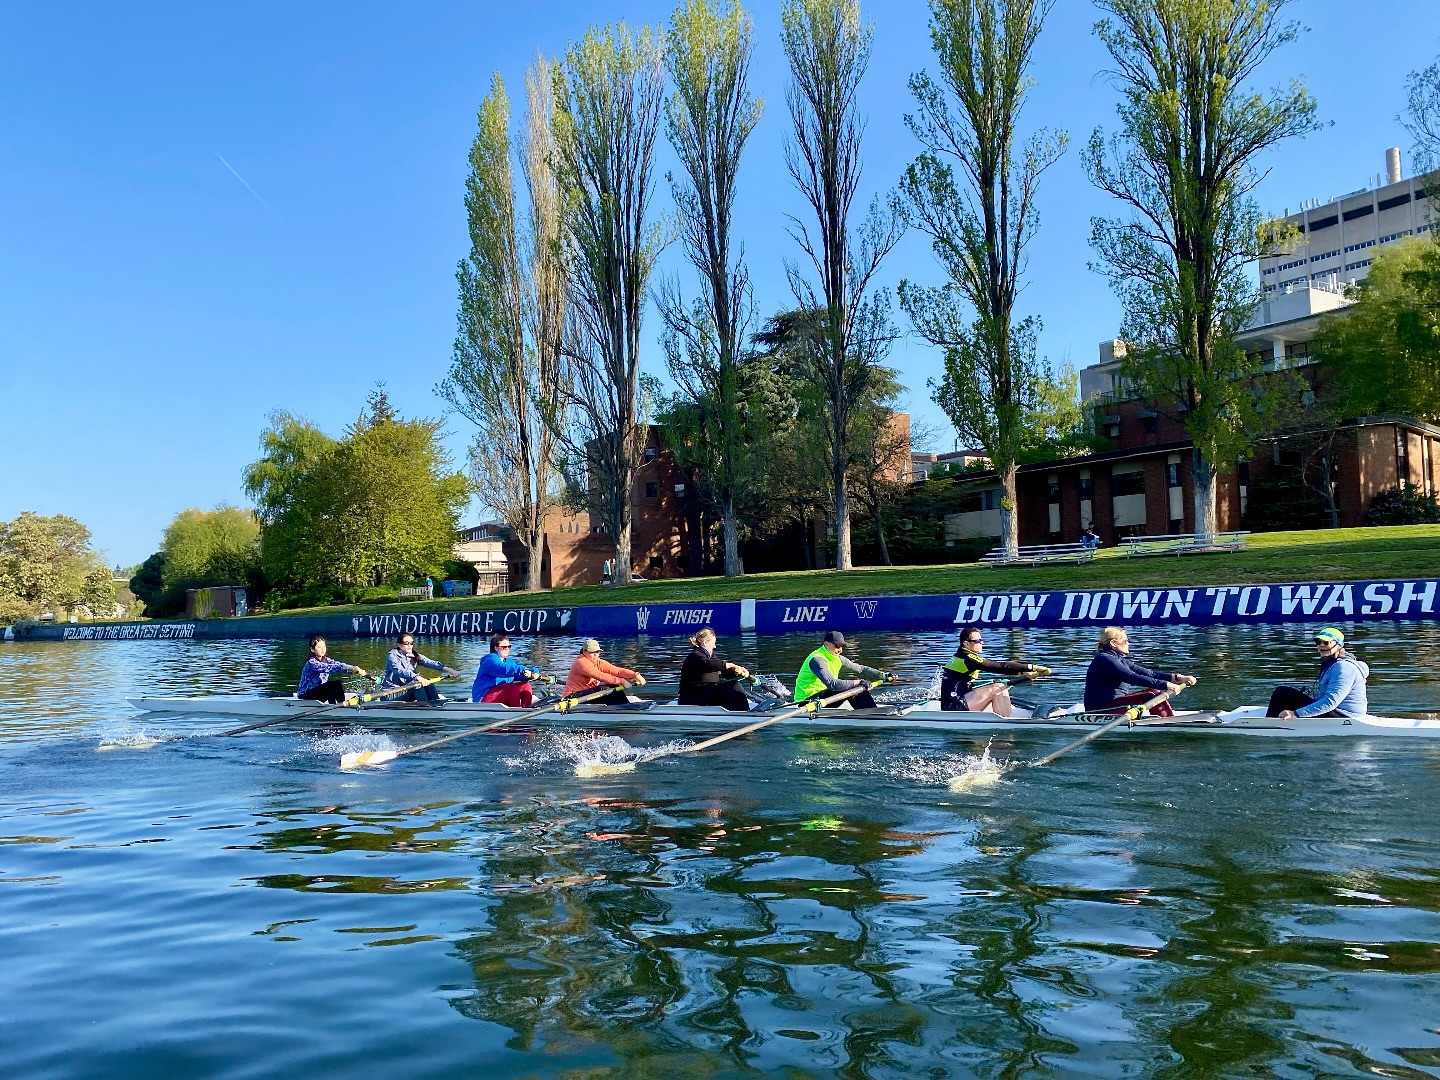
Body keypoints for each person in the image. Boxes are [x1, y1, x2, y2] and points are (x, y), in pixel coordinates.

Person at [1083, 626, 1196, 717]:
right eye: (1125, 641)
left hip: (1113, 704)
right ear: (1113, 643)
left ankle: (1167, 717)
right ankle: (1168, 721)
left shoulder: (1117, 659)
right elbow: (1132, 677)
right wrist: (1166, 685)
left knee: (1154, 690)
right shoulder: (1105, 659)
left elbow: (1148, 673)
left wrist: (1176, 678)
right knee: (1149, 696)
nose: (1128, 644)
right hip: (1100, 709)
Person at [939, 626, 1050, 715]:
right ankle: (1007, 723)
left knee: (1000, 686)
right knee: (998, 688)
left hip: (956, 700)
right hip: (953, 706)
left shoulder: (961, 655)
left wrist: (1022, 672)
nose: (982, 643)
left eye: (981, 640)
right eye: (977, 641)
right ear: (966, 644)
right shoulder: (968, 658)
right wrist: (1033, 667)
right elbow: (998, 666)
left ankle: (1006, 716)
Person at [1267, 627, 1369, 719]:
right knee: (1285, 693)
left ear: (1338, 645)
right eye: (1318, 642)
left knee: (1282, 692)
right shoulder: (1331, 664)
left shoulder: (1343, 667)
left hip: (1344, 715)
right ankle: (1274, 718)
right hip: (1338, 711)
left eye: (1326, 642)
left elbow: (1331, 702)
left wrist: (1296, 714)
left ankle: (1268, 724)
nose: (1321, 645)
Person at [792, 631, 889, 710]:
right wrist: (858, 682)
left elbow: (861, 669)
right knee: (853, 686)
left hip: (824, 698)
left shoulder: (838, 658)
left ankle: (872, 710)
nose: (840, 650)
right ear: (826, 644)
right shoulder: (817, 659)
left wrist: (883, 675)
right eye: (837, 646)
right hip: (808, 702)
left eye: (842, 646)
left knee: (857, 686)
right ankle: (871, 715)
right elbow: (832, 684)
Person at [678, 628, 751, 711]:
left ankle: (745, 711)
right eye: (713, 643)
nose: (715, 646)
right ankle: (734, 714)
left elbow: (724, 672)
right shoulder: (695, 656)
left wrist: (736, 671)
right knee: (725, 690)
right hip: (690, 698)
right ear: (705, 643)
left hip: (706, 693)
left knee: (735, 684)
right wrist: (729, 665)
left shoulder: (711, 657)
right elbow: (709, 664)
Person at [382, 633, 459, 705]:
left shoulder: (414, 655)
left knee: (429, 684)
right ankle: (426, 709)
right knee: (417, 686)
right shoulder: (392, 656)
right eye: (406, 643)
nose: (409, 645)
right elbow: (399, 671)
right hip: (390, 694)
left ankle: (437, 705)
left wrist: (448, 669)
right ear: (399, 644)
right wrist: (416, 677)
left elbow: (430, 662)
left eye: (411, 643)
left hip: (406, 690)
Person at [564, 638, 646, 705]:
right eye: (592, 652)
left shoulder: (598, 662)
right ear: (584, 651)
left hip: (588, 695)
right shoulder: (581, 662)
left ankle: (625, 706)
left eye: (597, 652)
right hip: (573, 697)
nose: (596, 655)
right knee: (606, 688)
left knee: (613, 685)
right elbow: (600, 676)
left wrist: (635, 675)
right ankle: (622, 709)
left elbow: (617, 671)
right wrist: (622, 681)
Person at [471, 634, 541, 707]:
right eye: (504, 647)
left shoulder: (509, 662)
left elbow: (518, 673)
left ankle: (527, 709)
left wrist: (533, 672)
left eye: (509, 647)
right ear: (496, 648)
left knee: (525, 685)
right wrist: (523, 670)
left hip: (499, 695)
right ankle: (517, 711)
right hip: (483, 697)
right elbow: (503, 669)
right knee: (512, 688)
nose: (507, 649)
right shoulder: (489, 659)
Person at [296, 636, 366, 704]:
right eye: (319, 647)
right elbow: (329, 667)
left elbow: (338, 665)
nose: (323, 650)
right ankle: (332, 706)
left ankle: (342, 705)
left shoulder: (326, 660)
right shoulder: (311, 663)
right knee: (330, 685)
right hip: (305, 695)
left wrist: (354, 670)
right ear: (312, 649)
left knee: (337, 683)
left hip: (318, 693)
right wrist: (349, 667)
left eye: (324, 647)